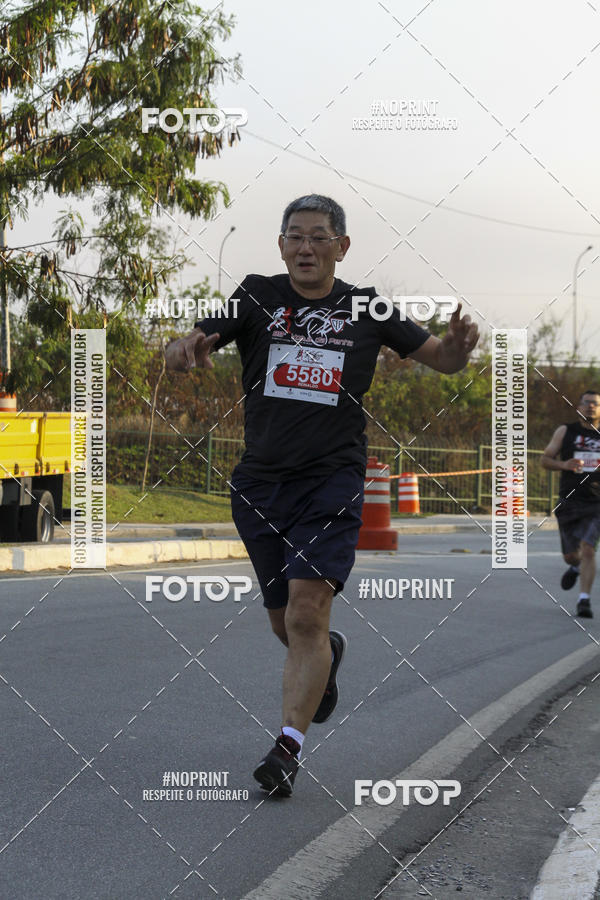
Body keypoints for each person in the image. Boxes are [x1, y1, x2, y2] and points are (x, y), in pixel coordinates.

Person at [165, 194, 479, 796]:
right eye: (294, 236)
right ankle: (326, 655)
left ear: (342, 246)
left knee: (307, 611)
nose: (305, 247)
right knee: (289, 624)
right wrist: (181, 349)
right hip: (259, 485)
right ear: (281, 245)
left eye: (318, 236)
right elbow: (199, 337)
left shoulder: (369, 307)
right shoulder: (258, 294)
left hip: (331, 480)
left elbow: (440, 358)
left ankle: (286, 749)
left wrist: (459, 348)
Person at [541, 390, 600, 619]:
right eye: (587, 403)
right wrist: (565, 464)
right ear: (578, 407)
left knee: (588, 549)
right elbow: (545, 459)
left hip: (596, 503)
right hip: (569, 500)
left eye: (595, 404)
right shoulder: (565, 431)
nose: (591, 407)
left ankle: (583, 600)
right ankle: (574, 567)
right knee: (571, 555)